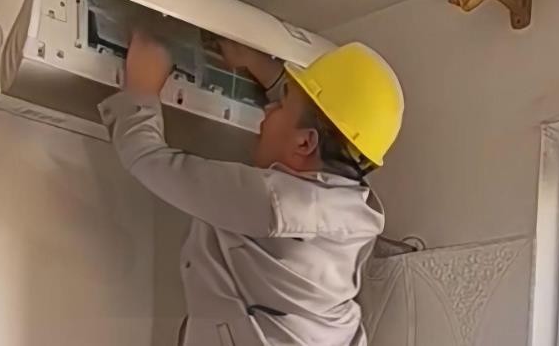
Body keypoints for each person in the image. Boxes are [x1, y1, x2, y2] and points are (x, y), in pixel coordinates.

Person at [98, 29, 404, 346]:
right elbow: (312, 121)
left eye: (281, 105)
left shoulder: (271, 202)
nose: (268, 109)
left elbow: (147, 159)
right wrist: (258, 64)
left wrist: (141, 89)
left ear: (305, 143)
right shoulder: (354, 213)